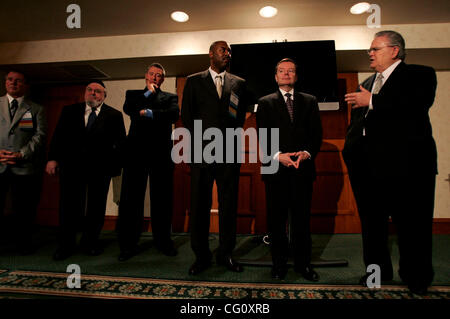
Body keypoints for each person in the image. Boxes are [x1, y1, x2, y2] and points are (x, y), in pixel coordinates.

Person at [343, 30, 438, 295]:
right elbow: (359, 125)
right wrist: (350, 153)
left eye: (375, 49)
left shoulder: (421, 74)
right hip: (367, 170)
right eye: (370, 50)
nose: (370, 54)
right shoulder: (368, 80)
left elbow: (415, 106)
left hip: (409, 169)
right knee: (372, 227)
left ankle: (416, 277)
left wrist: (371, 100)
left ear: (395, 50)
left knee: (413, 226)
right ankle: (377, 273)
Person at [181, 40, 249, 275]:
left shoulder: (239, 83)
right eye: (223, 50)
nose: (227, 54)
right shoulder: (194, 81)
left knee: (229, 205)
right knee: (200, 205)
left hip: (229, 153)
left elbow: (238, 117)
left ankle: (226, 254)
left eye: (229, 51)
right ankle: (201, 257)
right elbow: (187, 117)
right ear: (211, 54)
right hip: (202, 152)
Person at [256, 58, 322, 281]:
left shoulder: (310, 101)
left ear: (296, 75)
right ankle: (278, 265)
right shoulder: (264, 102)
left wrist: (307, 153)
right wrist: (277, 156)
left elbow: (316, 135)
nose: (286, 74)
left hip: (303, 170)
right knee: (276, 221)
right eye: (282, 71)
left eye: (290, 71)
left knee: (301, 221)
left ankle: (303, 265)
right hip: (276, 170)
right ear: (275, 76)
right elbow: (263, 135)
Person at [46, 80, 126, 260]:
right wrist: (52, 159)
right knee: (69, 207)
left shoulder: (114, 115)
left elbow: (121, 143)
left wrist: (114, 167)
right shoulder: (70, 111)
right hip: (72, 168)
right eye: (89, 90)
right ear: (85, 93)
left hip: (100, 170)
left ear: (104, 95)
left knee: (96, 208)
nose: (93, 93)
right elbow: (58, 136)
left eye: (97, 91)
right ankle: (65, 245)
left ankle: (90, 243)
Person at [117, 63, 179, 261]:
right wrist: (146, 99)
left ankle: (163, 242)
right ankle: (128, 245)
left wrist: (149, 113)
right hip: (136, 154)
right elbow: (130, 109)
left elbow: (173, 115)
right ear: (146, 76)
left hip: (161, 154)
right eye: (152, 74)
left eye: (158, 75)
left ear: (162, 80)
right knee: (130, 199)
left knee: (162, 199)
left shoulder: (170, 97)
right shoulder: (133, 94)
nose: (154, 77)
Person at [0, 70, 47, 255]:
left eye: (18, 81)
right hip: (0, 165)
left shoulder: (35, 109)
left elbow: (39, 136)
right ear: (5, 83)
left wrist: (21, 154)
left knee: (24, 210)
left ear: (25, 85)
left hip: (24, 168)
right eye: (10, 80)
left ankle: (23, 245)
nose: (13, 83)